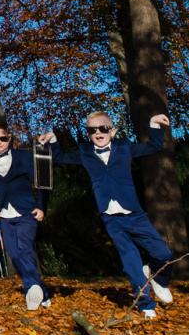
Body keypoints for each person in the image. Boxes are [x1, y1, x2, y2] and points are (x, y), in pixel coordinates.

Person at [36, 112, 177, 318]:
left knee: (163, 253)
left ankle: (159, 279)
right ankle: (146, 305)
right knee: (130, 261)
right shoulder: (85, 153)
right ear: (88, 133)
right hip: (111, 218)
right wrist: (54, 140)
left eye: (103, 128)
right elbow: (59, 157)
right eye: (92, 130)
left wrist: (153, 124)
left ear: (113, 130)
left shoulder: (124, 147)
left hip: (134, 214)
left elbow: (153, 147)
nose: (98, 133)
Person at [0, 124, 50, 311]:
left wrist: (41, 207)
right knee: (14, 253)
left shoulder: (24, 156)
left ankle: (31, 291)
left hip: (27, 211)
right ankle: (41, 290)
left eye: (3, 138)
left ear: (9, 138)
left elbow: (42, 181)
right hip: (4, 215)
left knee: (25, 248)